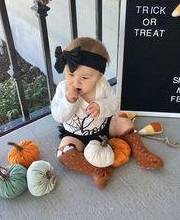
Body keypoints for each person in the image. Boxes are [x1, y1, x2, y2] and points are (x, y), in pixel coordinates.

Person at [51, 37, 163, 189]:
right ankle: (96, 170)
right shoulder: (63, 89)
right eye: (71, 75)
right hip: (74, 134)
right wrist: (68, 101)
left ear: (99, 76)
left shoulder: (102, 86)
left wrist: (102, 106)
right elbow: (59, 116)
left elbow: (114, 102)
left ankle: (141, 153)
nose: (76, 82)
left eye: (84, 77)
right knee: (63, 154)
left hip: (104, 126)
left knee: (125, 122)